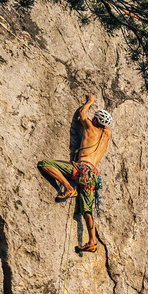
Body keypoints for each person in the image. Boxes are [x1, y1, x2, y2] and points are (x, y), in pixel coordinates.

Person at [37, 95, 112, 253]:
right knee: (87, 211)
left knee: (45, 164)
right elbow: (107, 127)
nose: (92, 119)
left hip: (81, 169)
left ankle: (68, 188)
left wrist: (90, 102)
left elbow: (81, 113)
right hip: (92, 178)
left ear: (96, 121)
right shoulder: (106, 136)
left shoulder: (90, 128)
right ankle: (92, 241)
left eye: (95, 119)